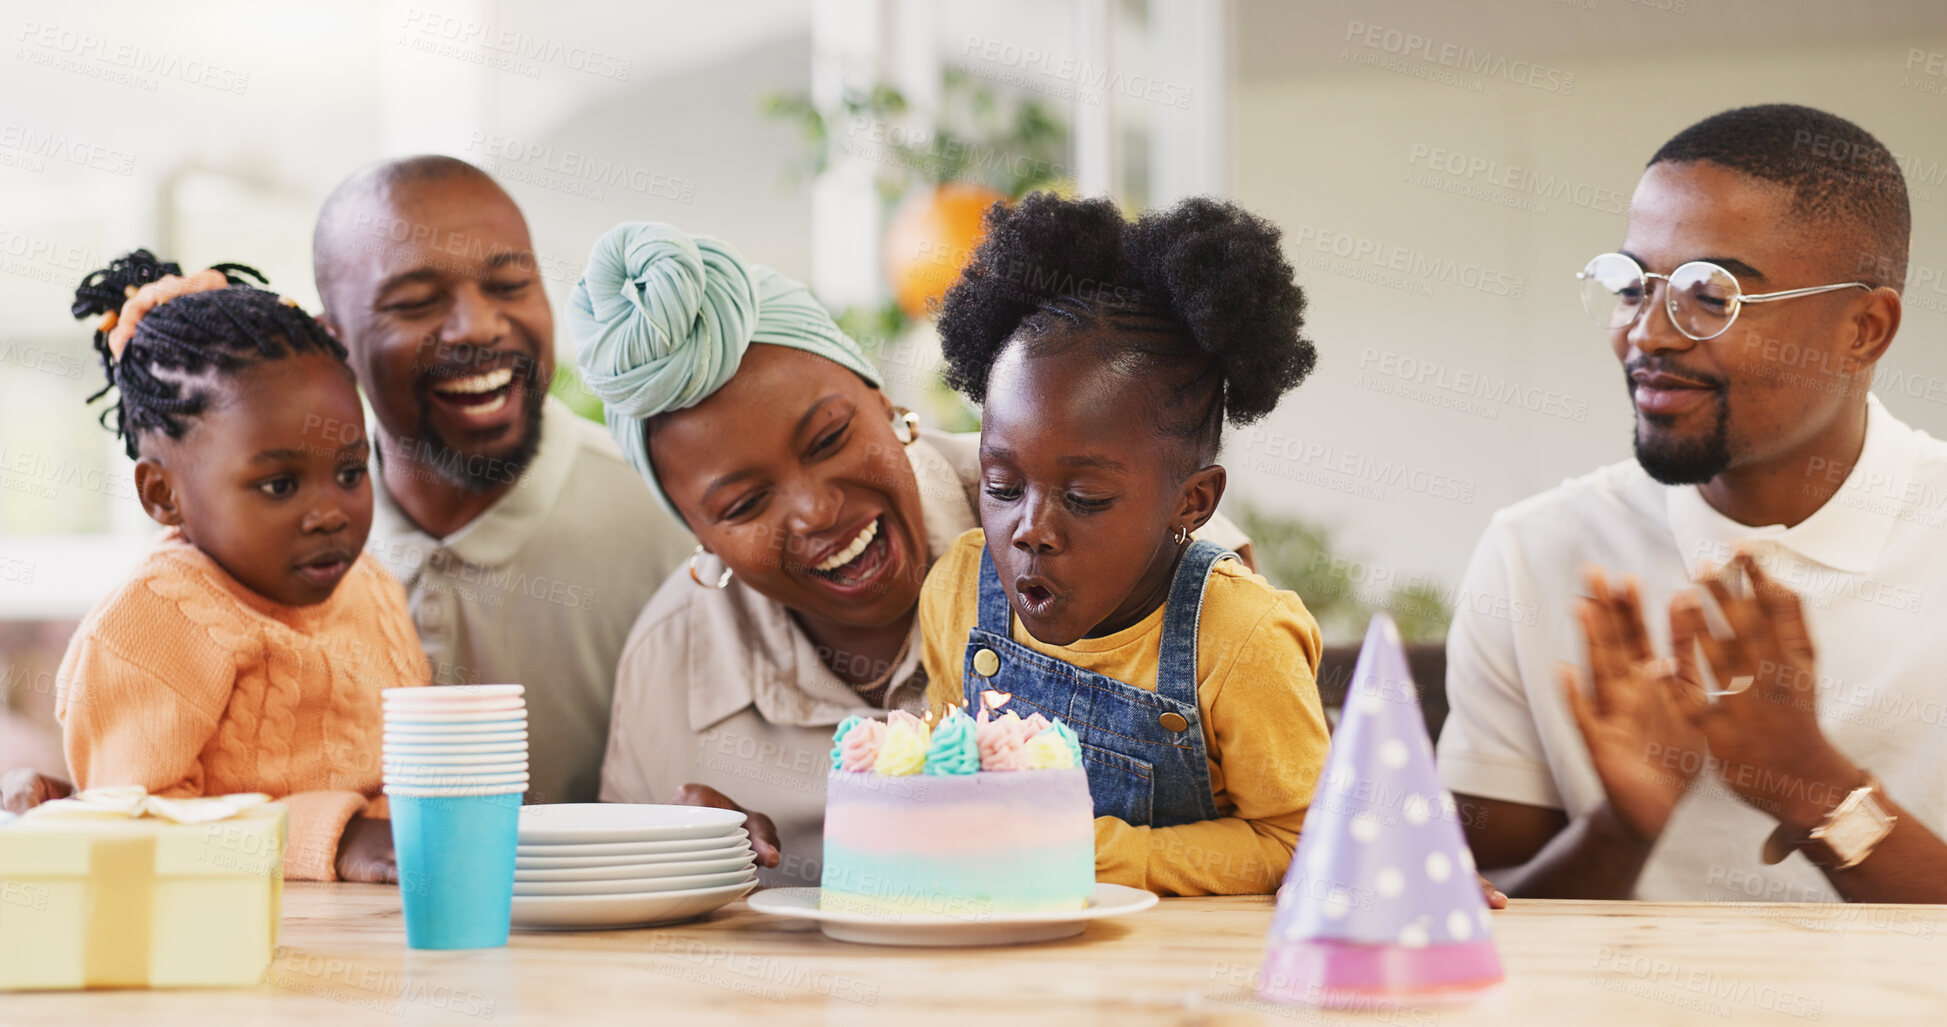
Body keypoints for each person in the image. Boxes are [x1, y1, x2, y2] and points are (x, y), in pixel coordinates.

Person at [578, 220, 1257, 884]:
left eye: (829, 438)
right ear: (698, 532)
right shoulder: (668, 668)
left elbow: (1292, 847)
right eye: (744, 505)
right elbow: (616, 952)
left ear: (883, 402)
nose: (816, 510)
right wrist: (680, 861)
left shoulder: (1155, 557)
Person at [1438, 104, 1947, 902]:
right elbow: (1485, 914)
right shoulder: (1533, 552)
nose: (1647, 333)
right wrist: (1621, 827)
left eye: (1708, 296)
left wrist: (1818, 793)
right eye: (1633, 285)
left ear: (1864, 329)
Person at [918, 193, 1332, 896]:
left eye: (1084, 498)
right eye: (1001, 484)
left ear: (1191, 501)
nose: (1031, 530)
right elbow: (945, 781)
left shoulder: (1240, 637)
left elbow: (1303, 841)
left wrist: (1090, 849)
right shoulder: (959, 592)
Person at [311, 157, 693, 805]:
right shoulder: (285, 542)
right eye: (415, 303)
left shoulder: (674, 517)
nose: (480, 326)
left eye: (511, 283)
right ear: (335, 343)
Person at [54, 249, 428, 882]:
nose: (329, 514)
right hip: (237, 951)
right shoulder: (152, 625)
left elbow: (408, 772)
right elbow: (133, 831)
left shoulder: (371, 586)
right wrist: (332, 840)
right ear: (163, 496)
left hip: (386, 924)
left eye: (348, 473)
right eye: (280, 485)